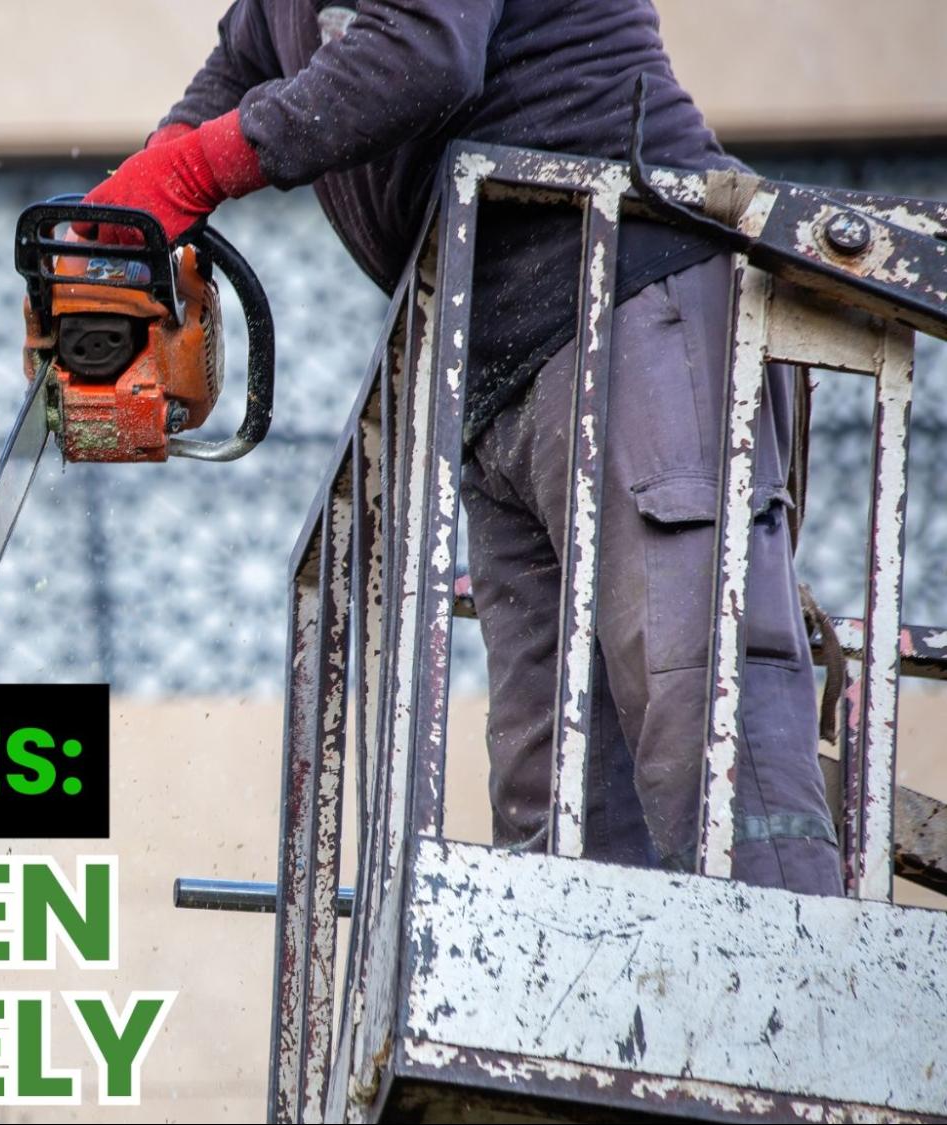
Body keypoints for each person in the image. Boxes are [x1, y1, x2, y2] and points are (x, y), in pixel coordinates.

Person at [85, 0, 841, 892]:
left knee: (699, 703)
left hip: (637, 286)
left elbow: (422, 51)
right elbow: (225, 88)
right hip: (496, 371)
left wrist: (195, 169)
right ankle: (606, 1025)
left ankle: (793, 992)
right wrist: (121, 223)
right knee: (559, 804)